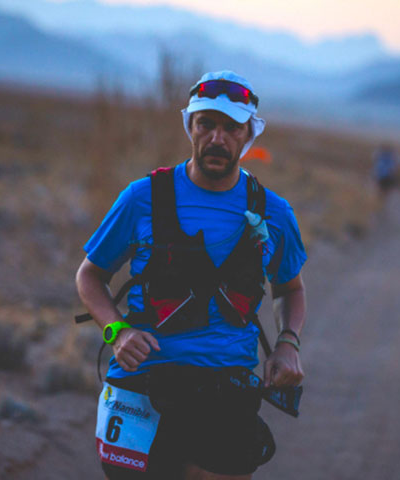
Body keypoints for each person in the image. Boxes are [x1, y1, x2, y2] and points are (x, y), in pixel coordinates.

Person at [75, 70, 307, 479]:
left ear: (248, 135)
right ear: (191, 127)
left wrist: (288, 343)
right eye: (207, 124)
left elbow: (289, 288)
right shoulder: (142, 198)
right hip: (140, 386)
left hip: (225, 391)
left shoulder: (275, 213)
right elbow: (90, 276)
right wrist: (117, 332)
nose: (218, 138)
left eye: (232, 127)